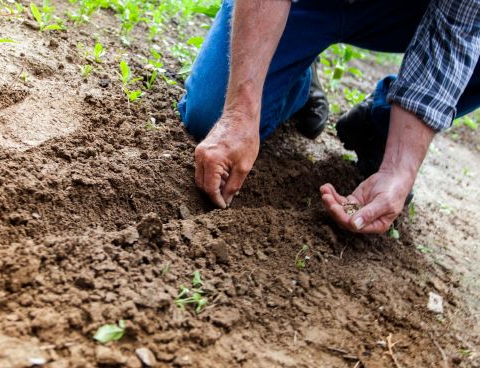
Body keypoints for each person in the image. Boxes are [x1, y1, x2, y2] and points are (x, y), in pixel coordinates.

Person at [178, 0, 480, 234]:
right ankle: (296, 74)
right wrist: (239, 113)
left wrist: (399, 169)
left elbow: (456, 30)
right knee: (210, 114)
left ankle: (382, 126)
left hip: (401, 11)